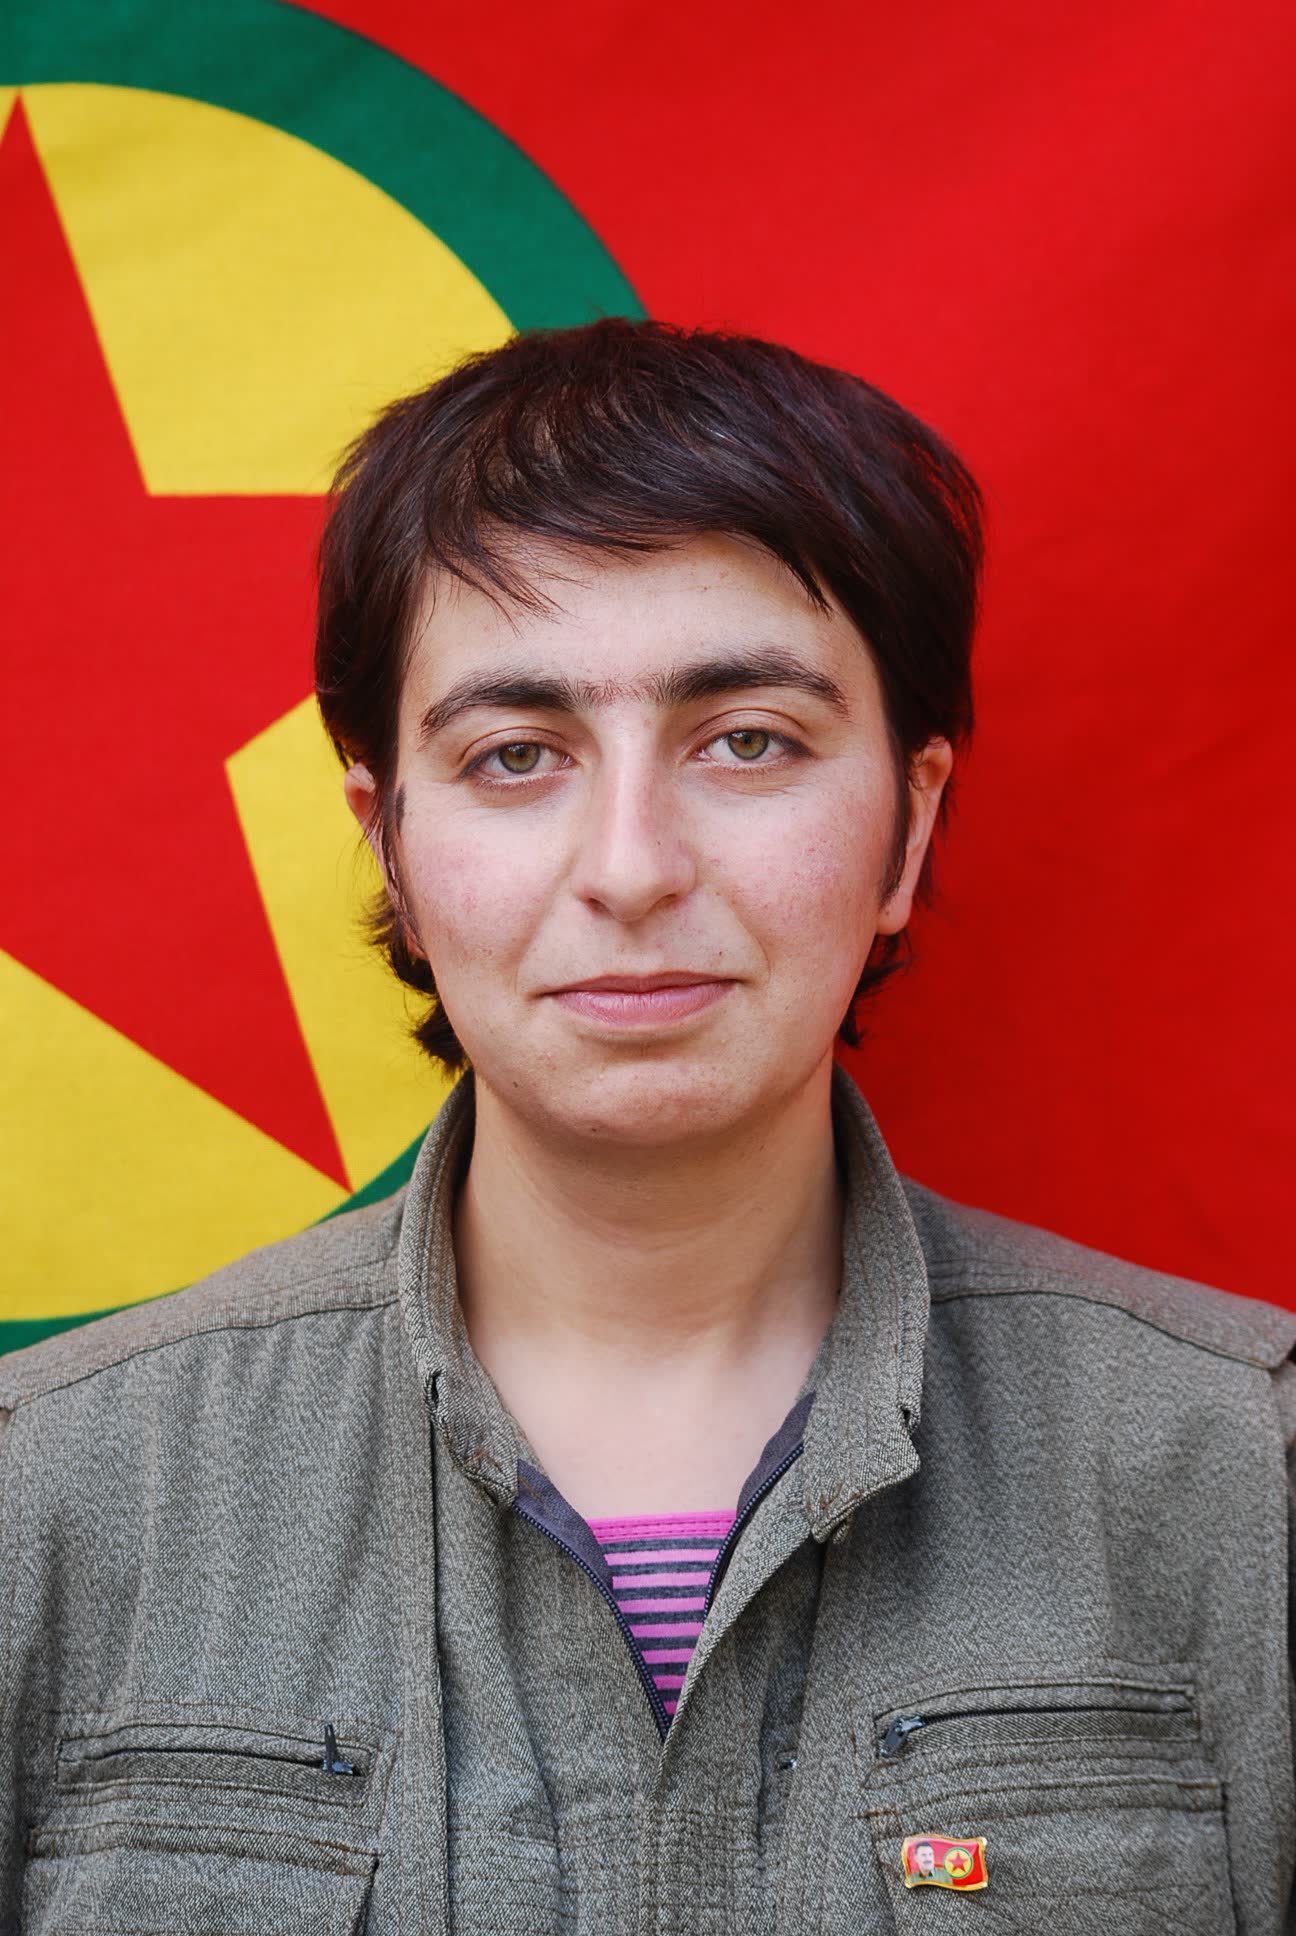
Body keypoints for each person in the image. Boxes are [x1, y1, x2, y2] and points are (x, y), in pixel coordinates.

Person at [1, 319, 1291, 1935]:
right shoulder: (48, 1500)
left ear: (908, 828)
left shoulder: (1246, 1477)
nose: (630, 866)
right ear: (389, 845)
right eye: (514, 756)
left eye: (748, 741)